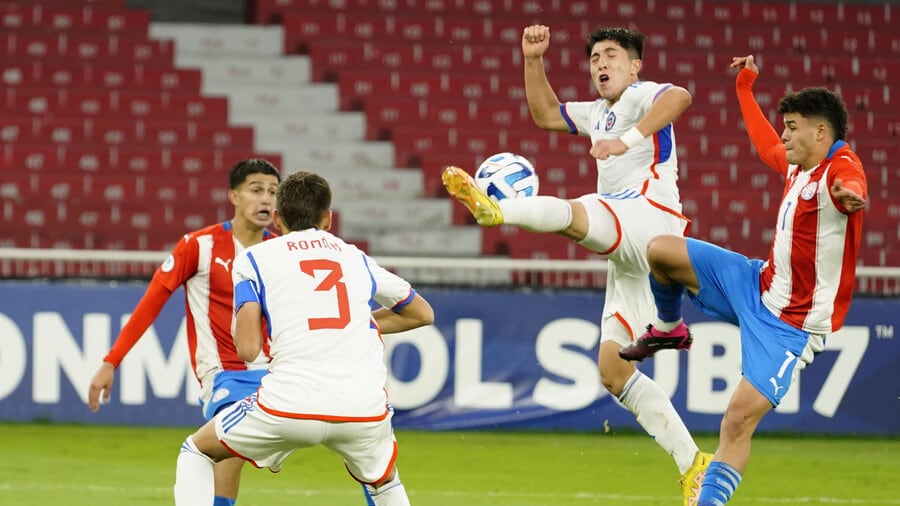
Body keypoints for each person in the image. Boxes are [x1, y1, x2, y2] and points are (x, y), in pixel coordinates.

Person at [442, 25, 711, 505]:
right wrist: (532, 59)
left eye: (612, 56)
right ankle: (695, 466)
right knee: (612, 370)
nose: (601, 64)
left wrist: (626, 141)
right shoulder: (598, 112)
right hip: (630, 251)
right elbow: (546, 113)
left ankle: (498, 210)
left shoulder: (639, 97)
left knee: (577, 214)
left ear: (635, 66)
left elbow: (681, 97)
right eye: (594, 59)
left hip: (652, 219)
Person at [619, 55, 867, 505]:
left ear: (821, 133)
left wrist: (851, 198)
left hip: (790, 326)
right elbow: (763, 143)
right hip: (757, 284)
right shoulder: (797, 164)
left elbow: (850, 188)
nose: (785, 135)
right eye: (785, 126)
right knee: (661, 250)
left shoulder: (840, 167)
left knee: (735, 420)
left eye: (793, 127)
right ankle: (670, 328)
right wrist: (744, 88)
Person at [173, 170, 435, 506]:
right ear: (328, 218)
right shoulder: (354, 257)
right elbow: (422, 314)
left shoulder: (254, 258)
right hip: (363, 409)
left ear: (278, 219)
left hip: (288, 403)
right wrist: (354, 325)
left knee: (197, 450)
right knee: (384, 482)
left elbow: (249, 350)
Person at [87, 158, 281, 506]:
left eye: (272, 192)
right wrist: (111, 360)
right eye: (256, 190)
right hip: (224, 374)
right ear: (234, 196)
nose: (266, 199)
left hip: (279, 372)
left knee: (355, 431)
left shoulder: (281, 251)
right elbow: (151, 303)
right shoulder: (198, 246)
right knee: (229, 436)